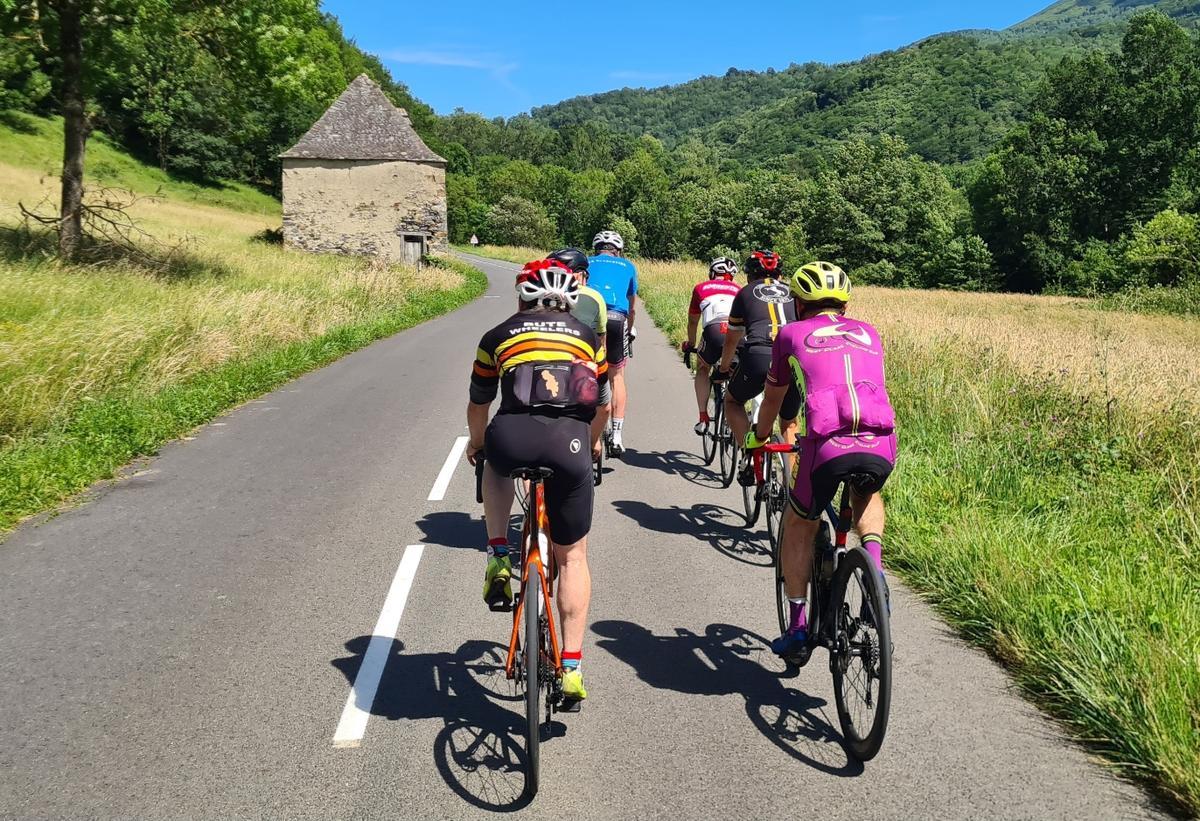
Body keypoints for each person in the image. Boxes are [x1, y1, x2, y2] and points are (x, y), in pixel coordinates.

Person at [466, 259, 607, 703]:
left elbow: (479, 402)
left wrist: (476, 442)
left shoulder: (497, 336)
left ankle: (497, 553)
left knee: (492, 459)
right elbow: (600, 404)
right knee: (572, 559)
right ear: (570, 298)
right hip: (568, 443)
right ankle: (570, 666)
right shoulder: (587, 338)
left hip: (512, 437)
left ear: (522, 296)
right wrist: (594, 444)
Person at [744, 261, 897, 660]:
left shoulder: (790, 334)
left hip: (826, 446)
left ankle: (797, 627)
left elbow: (774, 400)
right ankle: (875, 572)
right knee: (867, 495)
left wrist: (759, 438)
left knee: (799, 522)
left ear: (797, 302)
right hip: (880, 442)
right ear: (844, 303)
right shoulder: (869, 332)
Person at [713, 250, 800, 485]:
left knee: (733, 402)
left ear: (750, 275)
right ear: (780, 274)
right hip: (793, 357)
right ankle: (791, 485)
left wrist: (723, 369)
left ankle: (751, 454)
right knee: (789, 421)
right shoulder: (794, 292)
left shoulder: (744, 292)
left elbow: (732, 339)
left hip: (759, 354)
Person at [547, 247, 610, 457]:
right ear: (581, 274)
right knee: (604, 406)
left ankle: (530, 490)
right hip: (583, 367)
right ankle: (593, 443)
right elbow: (601, 336)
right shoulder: (594, 296)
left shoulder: (541, 295)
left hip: (543, 366)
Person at [587, 230, 638, 457]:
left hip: (588, 318)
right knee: (617, 376)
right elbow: (632, 304)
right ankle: (617, 435)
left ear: (596, 248)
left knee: (583, 367)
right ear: (618, 250)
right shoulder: (628, 266)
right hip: (617, 319)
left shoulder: (586, 262)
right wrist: (630, 327)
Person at [681, 257, 741, 434]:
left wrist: (691, 344)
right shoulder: (740, 289)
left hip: (714, 331)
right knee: (737, 370)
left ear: (713, 273)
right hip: (739, 333)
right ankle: (734, 416)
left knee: (702, 368)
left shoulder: (701, 287)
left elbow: (693, 322)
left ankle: (703, 418)